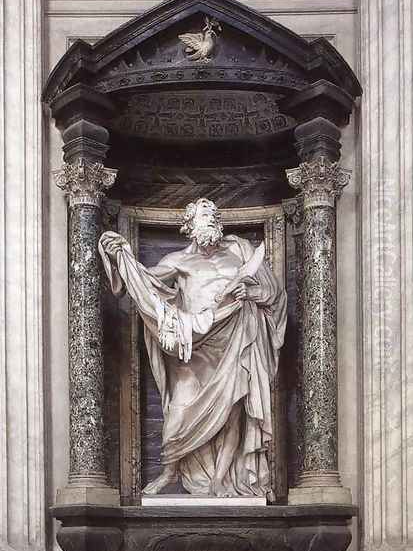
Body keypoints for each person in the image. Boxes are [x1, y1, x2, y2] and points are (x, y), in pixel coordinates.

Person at [99, 198, 287, 497]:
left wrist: (251, 291)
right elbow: (144, 282)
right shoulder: (178, 261)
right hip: (194, 346)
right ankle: (168, 472)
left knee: (232, 411)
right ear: (189, 224)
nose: (211, 217)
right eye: (204, 214)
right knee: (179, 409)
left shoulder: (240, 251)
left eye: (214, 214)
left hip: (235, 339)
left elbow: (274, 293)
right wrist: (120, 254)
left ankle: (219, 480)